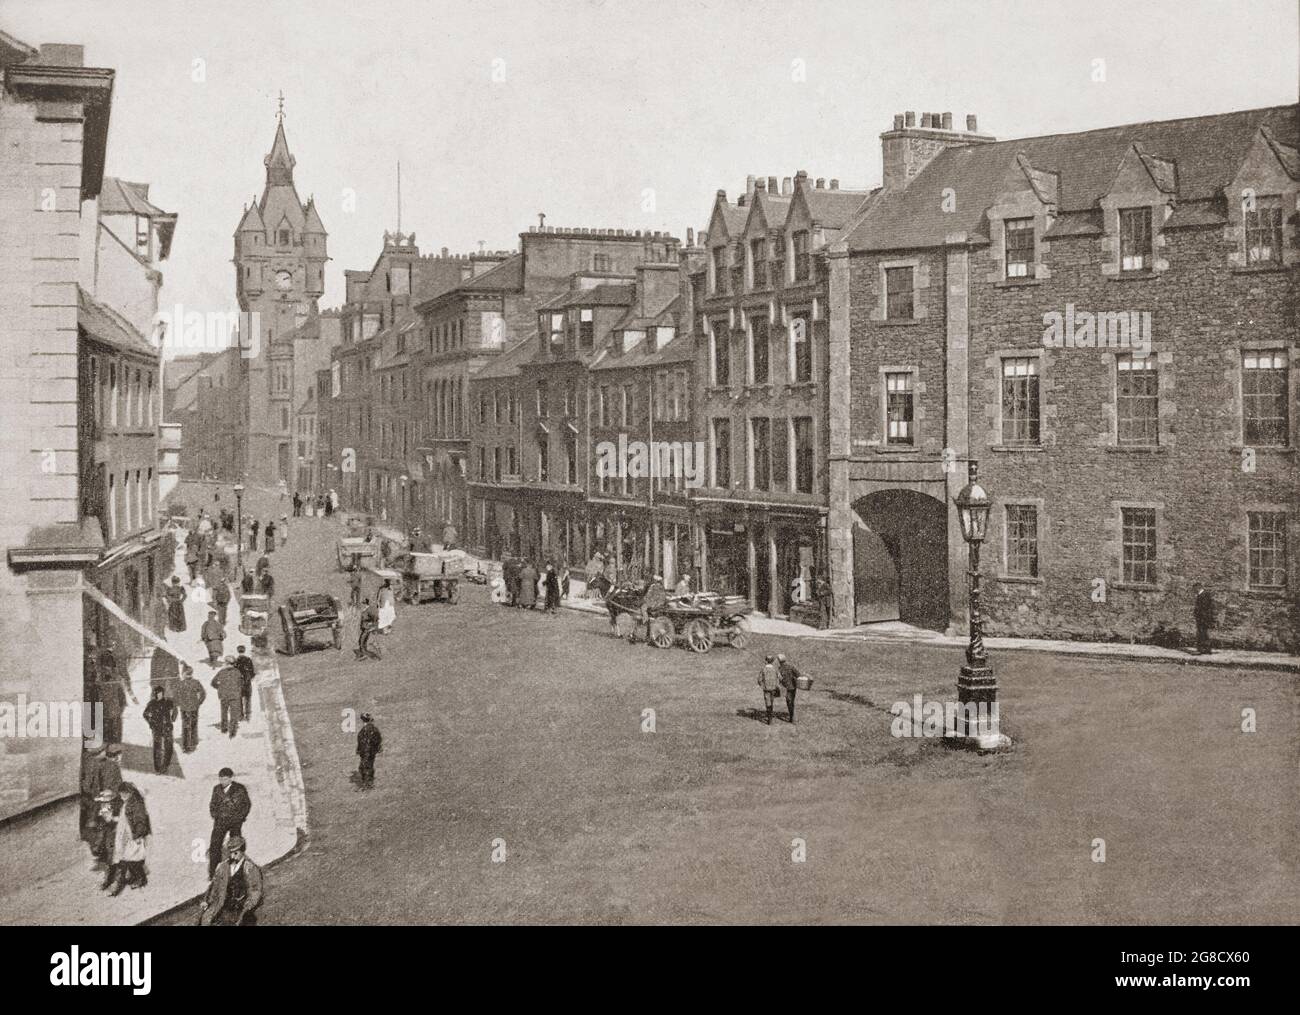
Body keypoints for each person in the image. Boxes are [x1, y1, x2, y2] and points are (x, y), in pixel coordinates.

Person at [199, 835, 263, 926]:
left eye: (235, 853)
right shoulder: (223, 867)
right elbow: (213, 886)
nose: (232, 856)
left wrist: (249, 905)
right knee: (205, 920)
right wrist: (206, 901)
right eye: (231, 853)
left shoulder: (250, 867)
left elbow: (255, 890)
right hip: (223, 907)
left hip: (241, 908)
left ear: (242, 852)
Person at [105, 782, 150, 895]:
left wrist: (139, 835)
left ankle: (138, 880)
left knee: (130, 860)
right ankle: (138, 878)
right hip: (125, 836)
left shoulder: (136, 804)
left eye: (123, 794)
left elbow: (140, 821)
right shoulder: (127, 803)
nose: (121, 796)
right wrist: (112, 819)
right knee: (130, 860)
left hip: (133, 837)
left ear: (129, 793)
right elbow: (123, 819)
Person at [207, 768, 252, 878]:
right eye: (221, 779)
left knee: (236, 846)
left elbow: (246, 805)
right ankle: (214, 873)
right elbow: (212, 804)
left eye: (225, 779)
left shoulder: (239, 789)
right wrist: (215, 815)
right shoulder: (216, 789)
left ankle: (236, 871)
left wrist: (240, 818)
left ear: (231, 778)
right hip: (220, 821)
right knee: (215, 846)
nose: (223, 781)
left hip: (234, 822)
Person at [143, 686, 178, 774]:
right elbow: (145, 714)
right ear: (155, 694)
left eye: (161, 693)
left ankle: (165, 766)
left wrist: (173, 719)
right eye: (157, 693)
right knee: (157, 748)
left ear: (163, 693)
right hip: (156, 728)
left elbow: (175, 710)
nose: (159, 695)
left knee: (169, 747)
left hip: (167, 727)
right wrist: (151, 723)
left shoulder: (168, 702)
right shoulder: (152, 703)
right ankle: (158, 768)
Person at [175, 664, 205, 753]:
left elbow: (175, 695)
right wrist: (199, 702)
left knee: (185, 726)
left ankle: (186, 746)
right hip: (194, 708)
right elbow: (203, 693)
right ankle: (193, 744)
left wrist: (179, 704)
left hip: (184, 708)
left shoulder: (180, 683)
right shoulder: (196, 682)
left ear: (184, 673)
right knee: (194, 725)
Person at [211, 657, 243, 737]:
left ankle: (224, 728)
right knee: (234, 713)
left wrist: (219, 687)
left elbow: (213, 682)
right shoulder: (237, 672)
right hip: (234, 695)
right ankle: (233, 731)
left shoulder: (221, 672)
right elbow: (241, 683)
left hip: (224, 695)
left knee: (224, 712)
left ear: (227, 663)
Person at [97, 673, 128, 747]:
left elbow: (123, 702)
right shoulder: (102, 687)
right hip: (106, 716)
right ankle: (106, 752)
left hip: (114, 716)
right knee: (106, 736)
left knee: (114, 738)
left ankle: (113, 754)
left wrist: (119, 713)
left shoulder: (117, 686)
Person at [356, 712, 382, 788]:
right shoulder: (374, 729)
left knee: (364, 766)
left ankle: (367, 784)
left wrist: (359, 750)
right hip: (370, 751)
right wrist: (377, 748)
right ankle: (369, 783)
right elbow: (378, 739)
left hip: (366, 751)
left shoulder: (365, 729)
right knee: (369, 766)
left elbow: (361, 741)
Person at [777, 653, 802, 724]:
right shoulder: (791, 666)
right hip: (793, 687)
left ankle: (792, 718)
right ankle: (792, 717)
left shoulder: (780, 668)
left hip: (786, 687)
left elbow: (780, 679)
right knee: (791, 702)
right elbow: (798, 675)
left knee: (789, 702)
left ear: (779, 661)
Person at [757, 654, 780, 726]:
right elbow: (780, 677)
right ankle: (770, 717)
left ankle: (769, 719)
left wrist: (762, 685)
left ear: (766, 661)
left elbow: (759, 679)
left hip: (766, 688)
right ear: (772, 661)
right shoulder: (775, 669)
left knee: (767, 703)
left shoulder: (763, 669)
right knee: (771, 702)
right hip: (773, 688)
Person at [234, 645, 256, 720]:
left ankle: (241, 715)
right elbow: (252, 672)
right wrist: (249, 678)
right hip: (247, 683)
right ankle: (248, 715)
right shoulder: (248, 660)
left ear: (238, 651)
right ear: (244, 650)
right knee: (248, 699)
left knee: (239, 699)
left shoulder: (236, 661)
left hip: (239, 683)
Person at [1195, 584, 1214, 655]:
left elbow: (1204, 608)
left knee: (1203, 633)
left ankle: (1204, 649)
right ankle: (1204, 649)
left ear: (1198, 588)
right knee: (1202, 633)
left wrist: (1201, 617)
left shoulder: (1204, 595)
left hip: (1203, 618)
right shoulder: (1202, 595)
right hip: (1202, 618)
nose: (1194, 590)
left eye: (1195, 588)